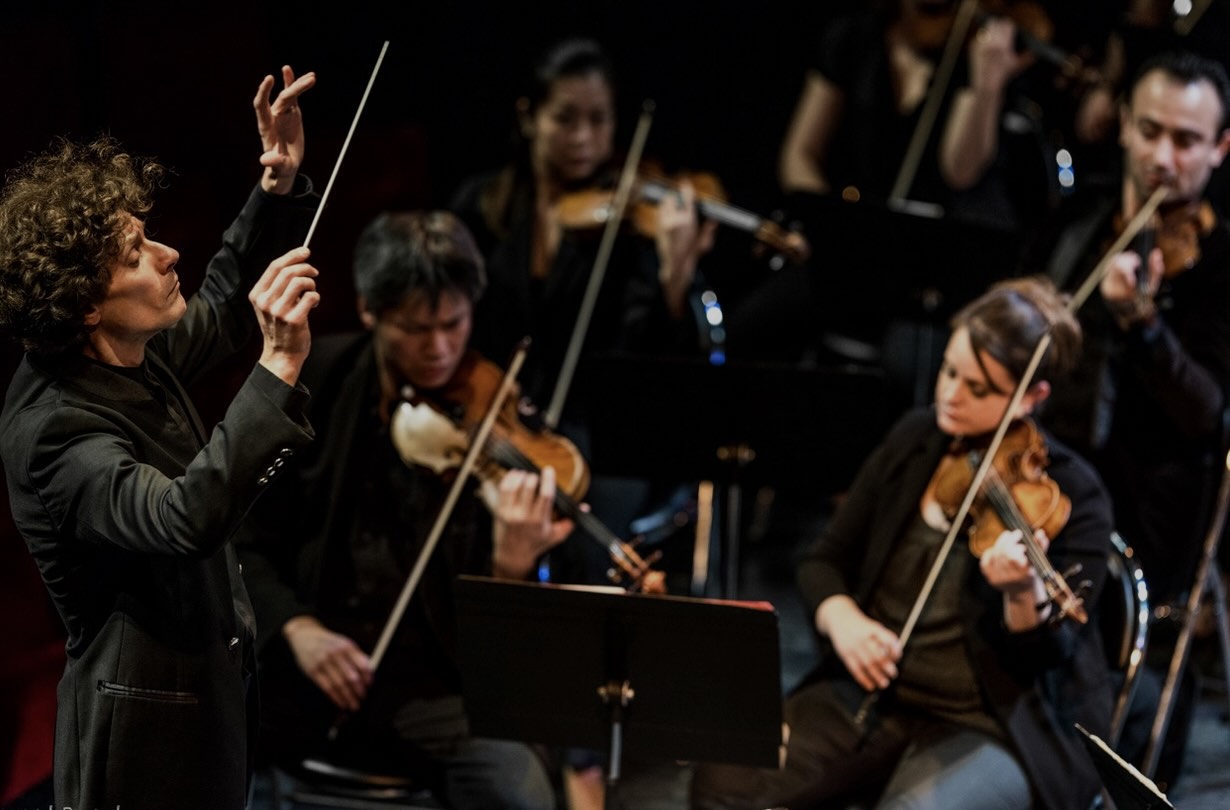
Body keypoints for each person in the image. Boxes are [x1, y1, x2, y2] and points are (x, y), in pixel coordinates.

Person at [0, 66, 319, 810]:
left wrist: (274, 188)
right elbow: (182, 519)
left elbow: (221, 305)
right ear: (83, 306)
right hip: (144, 745)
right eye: (137, 253)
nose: (169, 253)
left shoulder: (126, 348)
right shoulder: (53, 431)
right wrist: (275, 369)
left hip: (206, 708)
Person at [691, 276, 1115, 810]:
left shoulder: (1076, 495)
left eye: (978, 389)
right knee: (723, 784)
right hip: (877, 695)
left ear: (1033, 396)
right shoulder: (916, 438)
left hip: (993, 720)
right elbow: (822, 560)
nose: (950, 396)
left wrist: (1022, 595)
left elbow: (1051, 658)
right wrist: (842, 618)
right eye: (949, 371)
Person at [235, 210, 572, 810]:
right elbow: (240, 539)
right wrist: (296, 627)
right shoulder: (312, 382)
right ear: (370, 311)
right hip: (306, 678)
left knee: (520, 790)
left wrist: (512, 572)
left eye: (454, 323)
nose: (440, 349)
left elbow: (505, 653)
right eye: (416, 328)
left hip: (437, 687)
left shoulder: (491, 404)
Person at [1031, 49, 1230, 785]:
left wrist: (1143, 326)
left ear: (1219, 149)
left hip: (1153, 500)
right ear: (1121, 126)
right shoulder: (1078, 224)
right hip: (1051, 470)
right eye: (1150, 132)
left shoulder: (1219, 262)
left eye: (1186, 140)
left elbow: (1210, 416)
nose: (1162, 158)